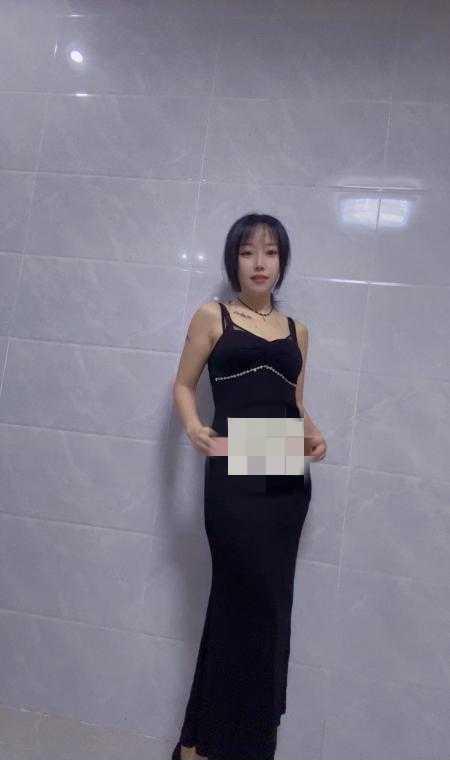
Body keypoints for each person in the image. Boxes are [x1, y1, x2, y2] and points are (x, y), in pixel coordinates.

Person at [171, 213, 327, 760]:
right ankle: (208, 740)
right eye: (247, 252)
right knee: (239, 597)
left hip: (283, 471)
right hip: (232, 466)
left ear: (282, 262)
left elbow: (296, 403)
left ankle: (229, 743)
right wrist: (193, 426)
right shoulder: (212, 316)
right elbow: (184, 385)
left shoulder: (298, 331)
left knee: (270, 607)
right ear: (233, 260)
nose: (260, 263)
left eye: (270, 252)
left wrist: (313, 435)